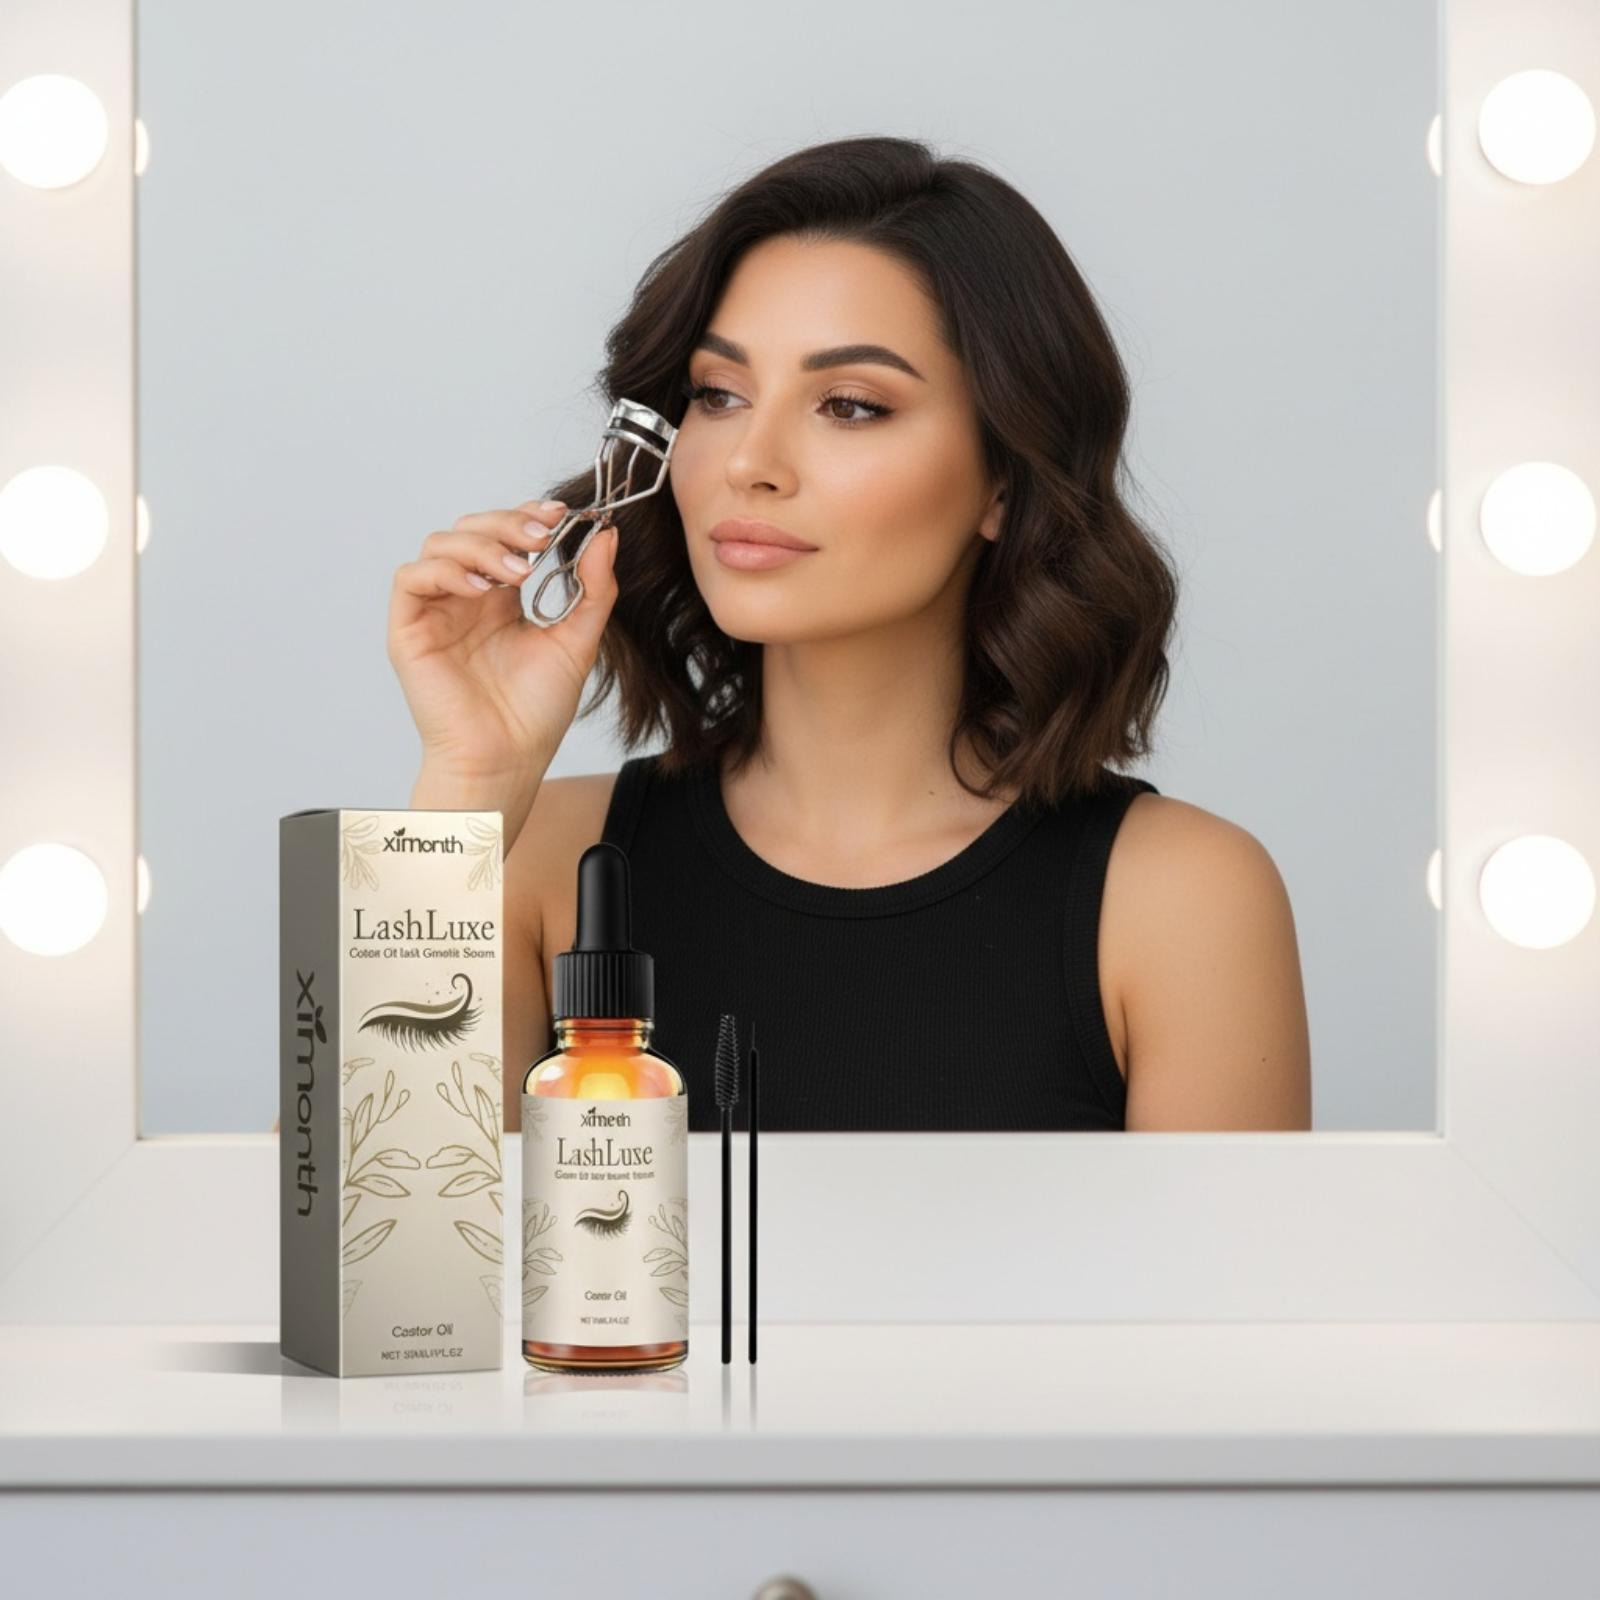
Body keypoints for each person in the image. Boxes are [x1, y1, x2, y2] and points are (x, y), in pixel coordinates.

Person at [387, 135, 1311, 1136]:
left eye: (851, 406)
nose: (749, 461)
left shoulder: (1178, 901)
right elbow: (354, 1231)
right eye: (717, 394)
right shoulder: (541, 862)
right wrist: (468, 787)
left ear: (1004, 481)